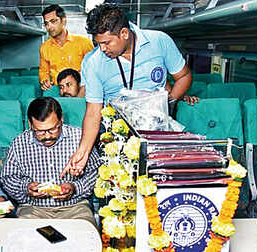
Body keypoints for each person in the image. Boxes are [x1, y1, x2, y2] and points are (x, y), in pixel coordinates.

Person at [61, 4, 192, 177]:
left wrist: (166, 103)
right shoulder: (92, 62)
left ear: (124, 33)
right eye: (98, 43)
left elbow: (184, 76)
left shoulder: (160, 41)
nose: (102, 49)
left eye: (106, 43)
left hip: (156, 130)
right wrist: (82, 153)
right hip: (116, 134)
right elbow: (93, 112)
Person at [0, 97, 100, 225]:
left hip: (75, 207)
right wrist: (26, 188)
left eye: (53, 129)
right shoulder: (20, 143)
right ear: (30, 124)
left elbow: (96, 173)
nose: (47, 136)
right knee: (23, 238)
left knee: (85, 236)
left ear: (61, 119)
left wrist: (75, 188)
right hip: (33, 209)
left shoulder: (80, 138)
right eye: (40, 132)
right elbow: (7, 179)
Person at [39, 4, 94, 91]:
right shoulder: (44, 47)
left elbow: (93, 69)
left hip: (82, 90)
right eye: (46, 23)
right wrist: (45, 81)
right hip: (58, 90)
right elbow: (43, 71)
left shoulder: (84, 43)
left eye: (53, 21)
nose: (49, 27)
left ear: (63, 21)